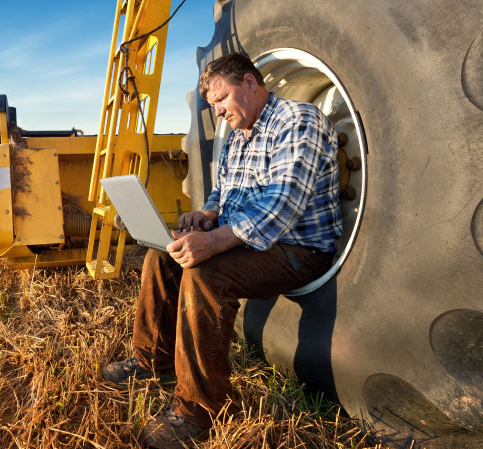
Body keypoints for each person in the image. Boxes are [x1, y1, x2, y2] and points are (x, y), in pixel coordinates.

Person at [102, 52, 343, 449]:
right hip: (250, 242)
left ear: (250, 83)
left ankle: (199, 411)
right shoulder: (238, 135)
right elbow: (223, 189)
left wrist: (214, 242)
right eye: (212, 105)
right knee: (162, 256)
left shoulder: (298, 121)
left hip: (297, 247)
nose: (217, 112)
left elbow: (282, 204)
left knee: (204, 274)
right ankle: (152, 363)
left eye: (221, 99)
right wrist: (208, 214)